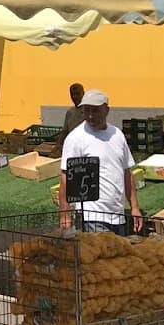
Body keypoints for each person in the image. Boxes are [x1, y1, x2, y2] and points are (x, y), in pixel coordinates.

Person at [56, 89, 139, 235]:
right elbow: (66, 177)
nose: (90, 116)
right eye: (86, 110)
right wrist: (64, 212)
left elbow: (126, 173)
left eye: (95, 111)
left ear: (106, 109)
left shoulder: (117, 135)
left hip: (117, 215)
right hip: (92, 215)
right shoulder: (76, 138)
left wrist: (134, 207)